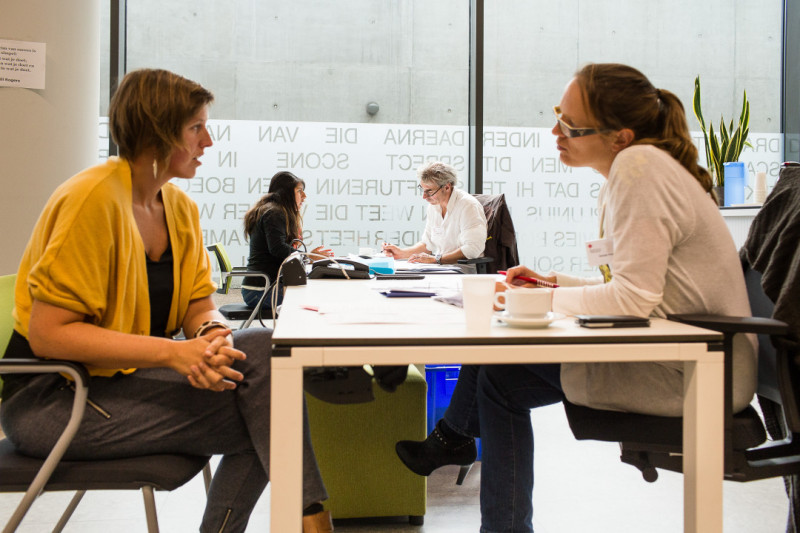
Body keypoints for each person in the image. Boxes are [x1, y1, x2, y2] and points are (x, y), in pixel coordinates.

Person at [395, 63, 757, 533]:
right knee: (496, 372)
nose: (555, 131)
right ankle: (460, 452)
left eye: (570, 124)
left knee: (498, 376)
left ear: (619, 136)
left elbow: (631, 299)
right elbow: (640, 291)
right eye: (556, 116)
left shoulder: (638, 169)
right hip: (684, 355)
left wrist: (532, 303)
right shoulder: (635, 169)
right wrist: (549, 284)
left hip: (694, 371)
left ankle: (459, 451)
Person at [0, 69, 333, 533]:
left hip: (123, 385)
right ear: (158, 131)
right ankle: (313, 521)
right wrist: (175, 354)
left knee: (263, 350)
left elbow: (198, 302)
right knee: (270, 420)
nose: (209, 141)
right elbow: (49, 333)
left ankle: (309, 520)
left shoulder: (178, 208)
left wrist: (212, 334)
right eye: (196, 128)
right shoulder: (89, 200)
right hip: (54, 400)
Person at [241, 171, 332, 312]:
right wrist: (308, 256)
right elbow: (278, 249)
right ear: (286, 193)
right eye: (299, 191)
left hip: (262, 289)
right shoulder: (274, 213)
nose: (304, 196)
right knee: (317, 298)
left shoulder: (273, 210)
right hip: (260, 292)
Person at [382, 161, 487, 265]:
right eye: (422, 190)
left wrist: (436, 259)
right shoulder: (434, 207)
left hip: (461, 272)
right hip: (438, 268)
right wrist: (401, 253)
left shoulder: (468, 206)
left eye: (430, 191)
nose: (424, 196)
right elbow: (428, 245)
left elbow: (473, 248)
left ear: (447, 187)